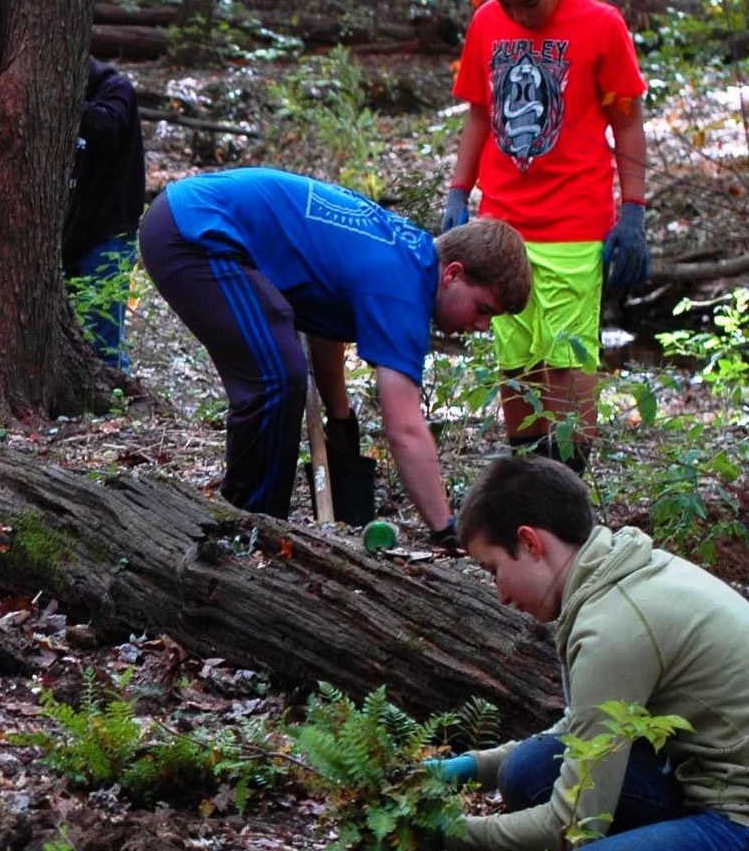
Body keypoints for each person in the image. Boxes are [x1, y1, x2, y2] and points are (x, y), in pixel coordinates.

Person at [431, 454, 749, 851]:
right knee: (528, 769)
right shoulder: (619, 571)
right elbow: (578, 732)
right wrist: (466, 769)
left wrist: (444, 832)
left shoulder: (614, 626)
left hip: (739, 827)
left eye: (494, 570)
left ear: (531, 542)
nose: (500, 594)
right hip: (704, 786)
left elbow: (572, 824)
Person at [138, 167, 532, 540]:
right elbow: (405, 428)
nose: (482, 326)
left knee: (282, 361)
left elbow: (325, 320)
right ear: (453, 274)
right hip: (194, 234)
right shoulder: (400, 290)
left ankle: (257, 519)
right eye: (483, 309)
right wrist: (444, 526)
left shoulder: (409, 252)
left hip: (192, 217)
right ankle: (246, 524)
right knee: (275, 377)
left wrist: (340, 419)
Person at [443, 0, 649, 472]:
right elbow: (480, 113)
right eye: (508, 4)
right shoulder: (488, 23)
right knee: (515, 355)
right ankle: (527, 479)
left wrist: (633, 212)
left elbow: (627, 122)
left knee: (567, 358)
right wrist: (459, 192)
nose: (519, 16)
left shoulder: (601, 26)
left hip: (573, 226)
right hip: (501, 224)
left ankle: (567, 483)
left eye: (531, 3)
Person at [65, 57, 146, 374]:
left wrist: (62, 103)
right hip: (68, 236)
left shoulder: (115, 89)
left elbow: (106, 126)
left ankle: (118, 405)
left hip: (107, 237)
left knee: (104, 344)